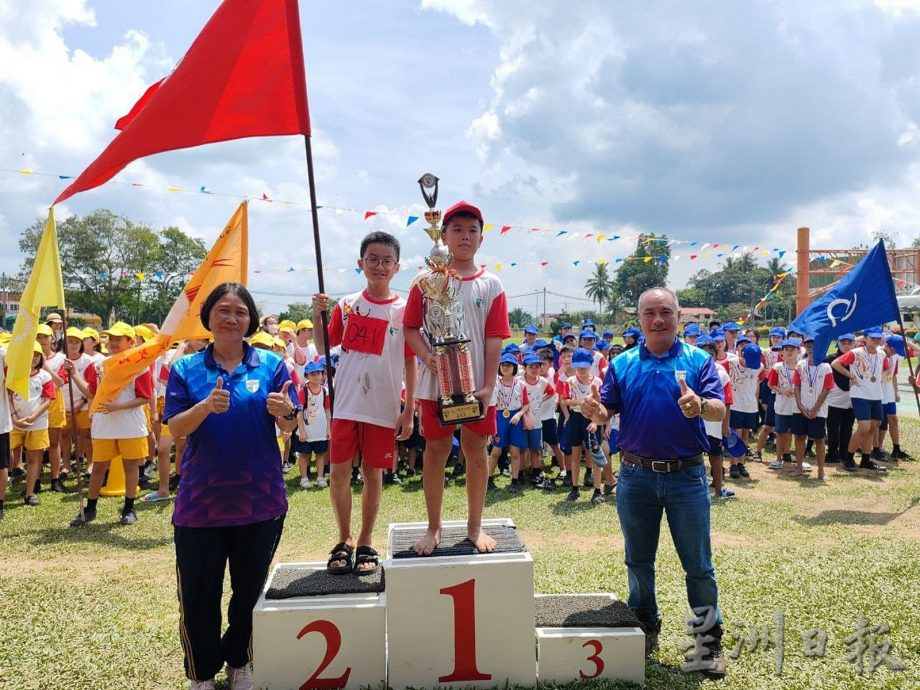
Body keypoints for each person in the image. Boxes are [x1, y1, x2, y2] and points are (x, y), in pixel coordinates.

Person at [581, 287, 727, 679]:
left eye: (665, 312)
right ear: (639, 319)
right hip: (636, 476)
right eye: (649, 313)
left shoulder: (698, 360)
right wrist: (596, 410)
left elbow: (718, 408)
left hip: (687, 477)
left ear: (678, 316)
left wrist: (701, 405)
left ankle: (708, 639)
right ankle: (644, 624)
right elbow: (607, 409)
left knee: (698, 565)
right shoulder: (623, 363)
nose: (658, 319)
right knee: (638, 560)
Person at [163, 282, 299, 690]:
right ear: (208, 317)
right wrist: (205, 406)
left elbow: (290, 424)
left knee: (249, 592)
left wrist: (286, 413)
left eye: (241, 312)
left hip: (260, 501)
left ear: (251, 320)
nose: (232, 318)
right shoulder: (186, 368)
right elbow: (175, 428)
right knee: (199, 595)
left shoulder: (271, 365)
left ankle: (240, 661)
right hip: (200, 505)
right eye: (223, 310)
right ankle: (202, 672)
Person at [404, 200, 510, 554]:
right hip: (436, 385)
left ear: (481, 238)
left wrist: (489, 386)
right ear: (444, 236)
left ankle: (475, 527)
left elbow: (494, 338)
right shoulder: (425, 282)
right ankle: (433, 527)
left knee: (476, 452)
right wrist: (427, 357)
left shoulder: (491, 284)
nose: (465, 236)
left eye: (472, 231)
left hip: (477, 386)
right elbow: (410, 328)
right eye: (457, 230)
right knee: (435, 452)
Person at [313, 231, 415, 574]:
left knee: (373, 473)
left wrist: (409, 409)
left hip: (383, 405)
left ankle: (366, 539)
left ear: (397, 266)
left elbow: (410, 360)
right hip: (346, 402)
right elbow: (323, 347)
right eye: (373, 260)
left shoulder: (404, 310)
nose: (380, 266)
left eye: (387, 261)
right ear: (361, 263)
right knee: (339, 473)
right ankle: (344, 538)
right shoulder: (346, 305)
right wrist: (317, 313)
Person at [67, 322, 155, 526]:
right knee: (98, 466)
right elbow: (91, 392)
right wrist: (74, 374)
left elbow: (145, 396)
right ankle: (90, 509)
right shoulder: (100, 365)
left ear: (131, 342)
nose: (113, 343)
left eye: (118, 339)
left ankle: (129, 508)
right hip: (104, 424)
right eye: (111, 339)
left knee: (130, 467)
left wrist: (118, 406)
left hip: (130, 425)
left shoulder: (139, 366)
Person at [831, 327, 888, 472]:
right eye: (872, 338)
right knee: (864, 427)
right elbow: (835, 363)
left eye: (878, 338)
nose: (875, 340)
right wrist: (851, 376)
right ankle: (848, 458)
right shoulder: (856, 352)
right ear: (865, 338)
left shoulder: (881, 354)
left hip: (876, 395)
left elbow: (886, 368)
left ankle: (866, 460)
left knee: (874, 426)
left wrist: (880, 378)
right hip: (860, 394)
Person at [9, 342, 55, 506]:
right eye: (30, 354)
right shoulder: (13, 375)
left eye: (37, 355)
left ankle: (29, 493)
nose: (33, 358)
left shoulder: (45, 376)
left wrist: (33, 417)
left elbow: (47, 401)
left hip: (37, 424)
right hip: (14, 423)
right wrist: (14, 418)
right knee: (8, 454)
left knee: (33, 458)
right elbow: (8, 396)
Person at [560, 347, 605, 505]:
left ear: (591, 364)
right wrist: (580, 402)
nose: (581, 369)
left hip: (592, 418)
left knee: (595, 453)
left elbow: (602, 403)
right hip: (575, 417)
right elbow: (564, 400)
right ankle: (574, 488)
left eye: (584, 366)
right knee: (575, 455)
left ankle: (597, 490)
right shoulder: (570, 381)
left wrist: (595, 422)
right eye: (578, 366)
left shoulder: (597, 381)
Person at [487, 353, 529, 492]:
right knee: (496, 451)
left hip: (515, 418)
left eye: (509, 365)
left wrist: (519, 414)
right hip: (499, 417)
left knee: (515, 452)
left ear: (514, 367)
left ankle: (515, 480)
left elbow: (526, 404)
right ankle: (488, 479)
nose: (505, 367)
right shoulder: (495, 382)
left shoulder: (520, 384)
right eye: (503, 365)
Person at [294, 361, 330, 489]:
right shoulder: (303, 391)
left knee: (320, 453)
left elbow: (327, 410)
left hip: (320, 429)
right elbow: (299, 412)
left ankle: (320, 477)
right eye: (312, 374)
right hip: (306, 430)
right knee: (304, 454)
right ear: (307, 376)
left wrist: (329, 429)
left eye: (318, 373)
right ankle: (304, 478)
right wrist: (301, 430)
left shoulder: (325, 391)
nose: (316, 376)